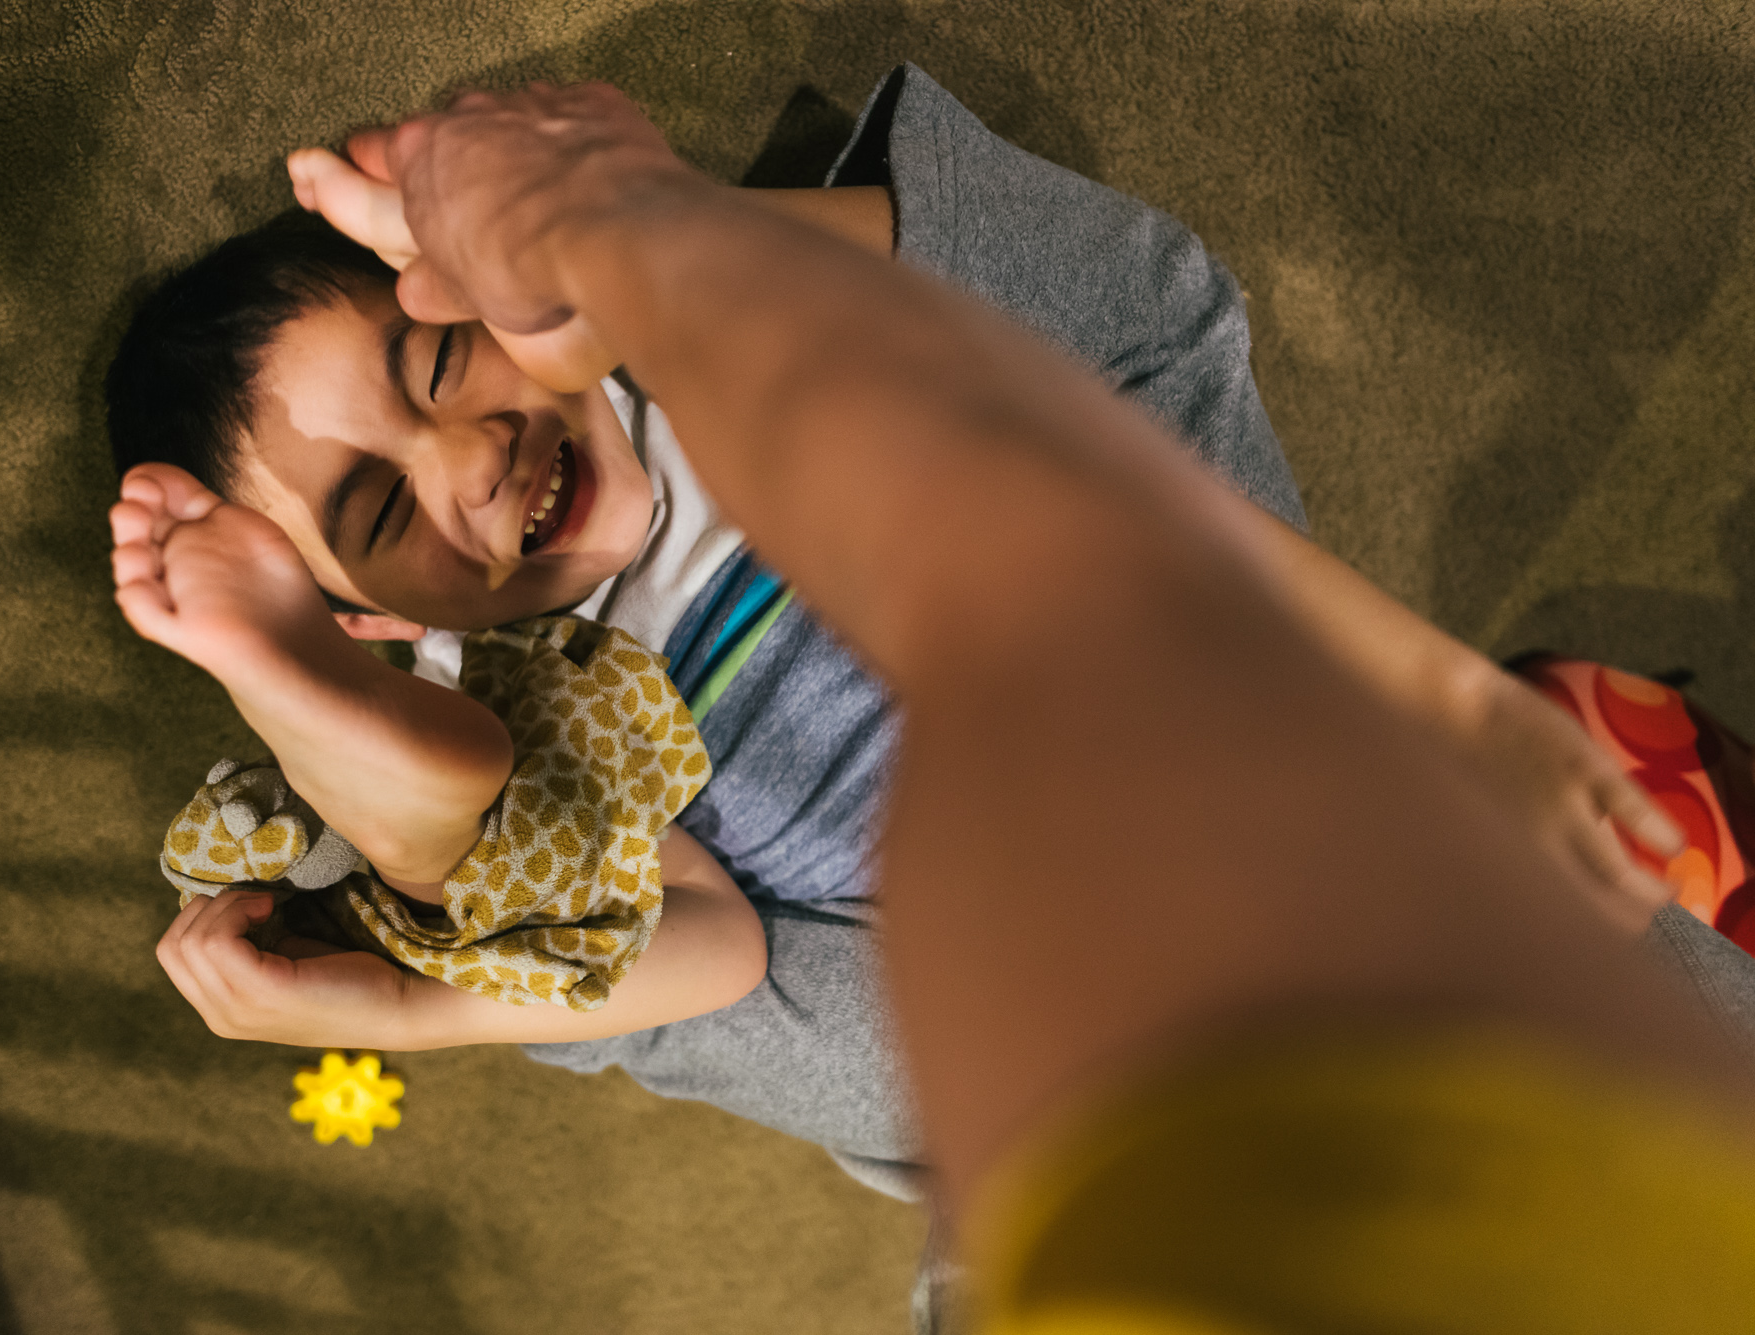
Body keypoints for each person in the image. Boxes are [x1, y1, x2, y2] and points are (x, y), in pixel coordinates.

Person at [108, 67, 1727, 1195]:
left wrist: (652, 266)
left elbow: (1140, 324)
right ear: (372, 611)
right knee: (563, 919)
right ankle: (350, 751)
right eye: (385, 512)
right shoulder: (535, 708)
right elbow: (710, 959)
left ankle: (620, 235)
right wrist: (417, 1006)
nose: (471, 460)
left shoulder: (729, 378)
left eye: (440, 364)